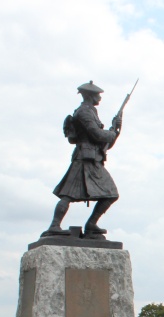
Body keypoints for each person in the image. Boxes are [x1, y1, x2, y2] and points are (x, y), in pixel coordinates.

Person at [44, 81, 122, 238]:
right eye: (97, 95)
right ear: (89, 95)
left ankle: (91, 225)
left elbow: (102, 142)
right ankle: (55, 225)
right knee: (68, 193)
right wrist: (111, 133)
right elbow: (97, 135)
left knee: (110, 194)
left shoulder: (90, 111)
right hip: (84, 158)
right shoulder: (84, 112)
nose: (99, 98)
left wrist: (116, 129)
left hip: (92, 158)